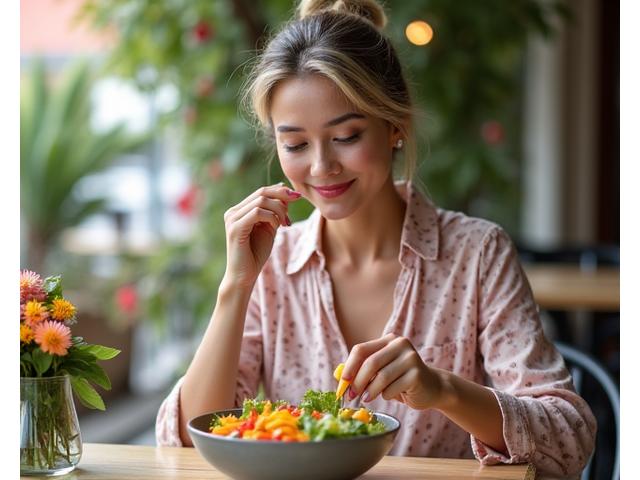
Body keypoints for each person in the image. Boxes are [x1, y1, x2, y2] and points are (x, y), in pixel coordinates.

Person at [156, 0, 596, 476]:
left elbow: (569, 438)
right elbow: (183, 443)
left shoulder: (477, 254)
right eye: (296, 144)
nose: (321, 167)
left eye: (346, 136)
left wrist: (443, 391)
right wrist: (234, 287)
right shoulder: (273, 263)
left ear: (395, 128)